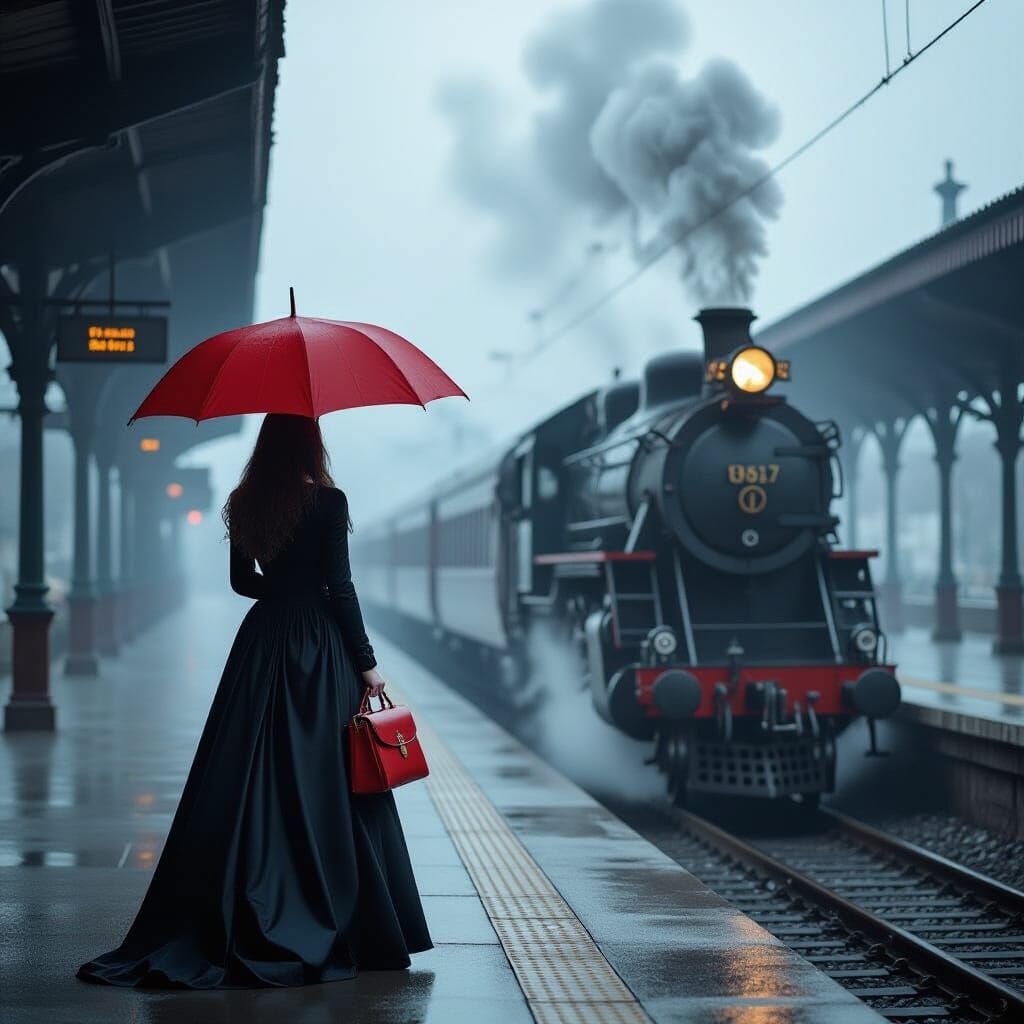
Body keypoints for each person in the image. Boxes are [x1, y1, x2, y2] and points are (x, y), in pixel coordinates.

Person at [76, 413, 433, 988]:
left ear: (265, 445)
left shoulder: (245, 500)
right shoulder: (330, 503)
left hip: (263, 642)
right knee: (329, 777)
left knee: (251, 770)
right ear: (311, 444)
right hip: (318, 648)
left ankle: (245, 900)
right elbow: (341, 588)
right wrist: (366, 664)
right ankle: (350, 918)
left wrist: (284, 593)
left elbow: (242, 583)